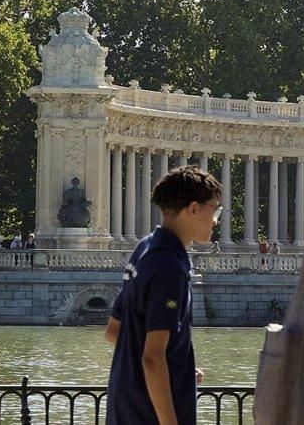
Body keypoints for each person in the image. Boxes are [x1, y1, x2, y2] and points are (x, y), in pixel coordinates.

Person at [104, 165, 221, 425]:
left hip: (125, 408)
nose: (216, 220)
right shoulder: (170, 266)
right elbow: (153, 357)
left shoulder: (145, 248)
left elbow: (114, 331)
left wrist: (180, 369)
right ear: (193, 209)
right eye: (214, 209)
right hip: (149, 415)